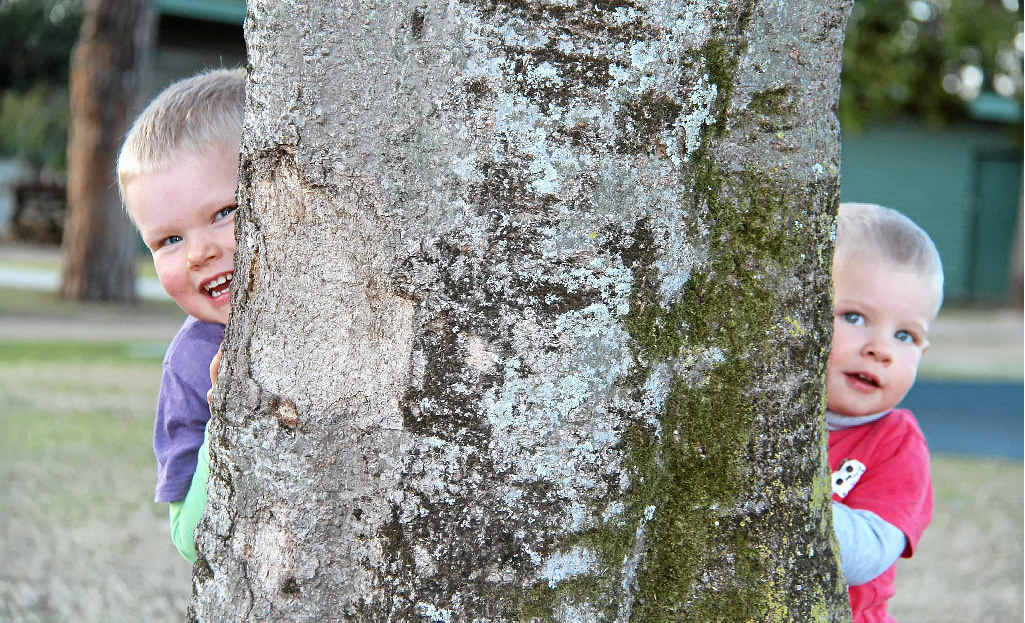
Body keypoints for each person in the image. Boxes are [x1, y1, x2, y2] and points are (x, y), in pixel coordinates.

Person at [117, 68, 245, 563]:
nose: (198, 254)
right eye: (169, 240)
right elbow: (189, 539)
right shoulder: (191, 364)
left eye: (223, 213)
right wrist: (225, 417)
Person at [828, 202, 940, 622]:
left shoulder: (899, 445)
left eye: (904, 335)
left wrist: (782, 492)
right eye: (854, 317)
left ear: (922, 352)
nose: (881, 349)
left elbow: (868, 555)